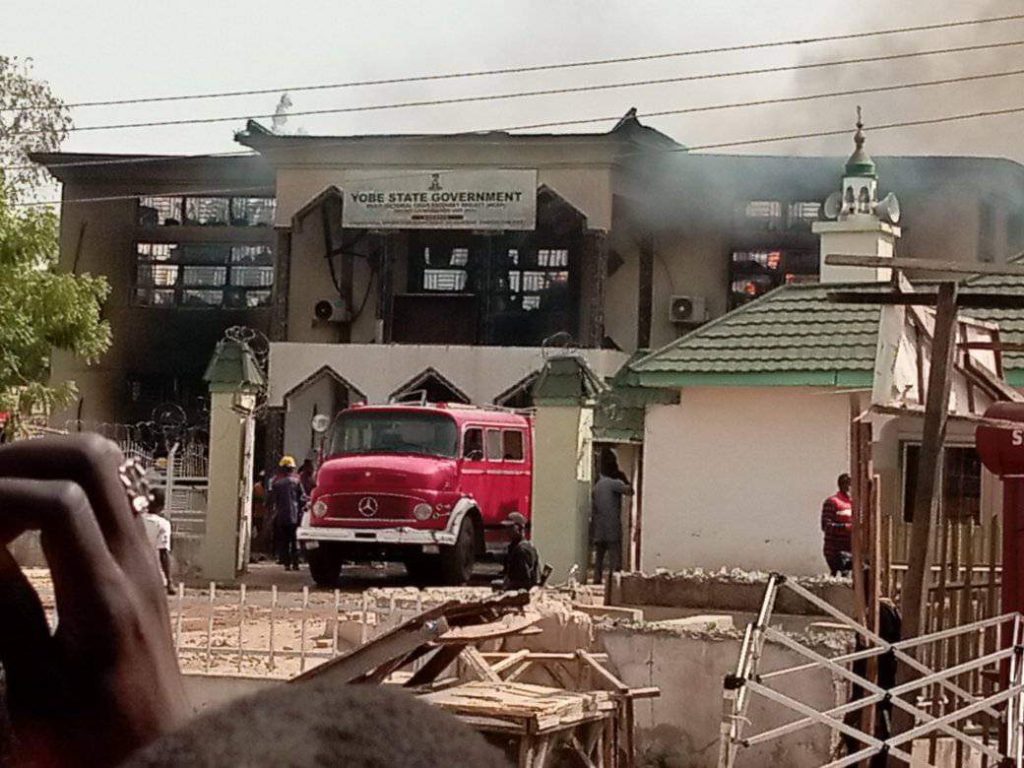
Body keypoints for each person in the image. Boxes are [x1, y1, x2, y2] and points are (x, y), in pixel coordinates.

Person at [0, 434, 512, 768]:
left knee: (286, 548)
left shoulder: (275, 488)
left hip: (252, 534)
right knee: (288, 548)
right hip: (259, 535)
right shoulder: (284, 488)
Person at [591, 451, 633, 585]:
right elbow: (630, 491)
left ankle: (597, 580)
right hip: (612, 525)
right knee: (614, 557)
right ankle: (614, 582)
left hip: (599, 527)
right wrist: (624, 478)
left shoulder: (597, 486)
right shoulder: (615, 483)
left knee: (599, 557)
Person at [269, 455, 306, 572]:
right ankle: (296, 564)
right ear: (292, 469)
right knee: (294, 540)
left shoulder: (277, 484)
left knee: (284, 541)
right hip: (295, 516)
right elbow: (303, 498)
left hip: (281, 516)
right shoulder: (297, 482)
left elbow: (272, 501)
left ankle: (286, 564)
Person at [141, 488, 175, 596]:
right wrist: (169, 581)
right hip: (153, 576)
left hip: (133, 574)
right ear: (162, 506)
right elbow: (164, 553)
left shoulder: (136, 520)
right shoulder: (162, 524)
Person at [821, 472, 854, 576]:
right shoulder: (832, 502)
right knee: (840, 577)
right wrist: (846, 527)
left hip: (851, 549)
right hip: (836, 550)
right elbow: (826, 526)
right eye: (850, 484)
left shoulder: (854, 504)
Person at [499, 512, 539, 591]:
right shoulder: (515, 547)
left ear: (520, 528)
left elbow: (524, 580)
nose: (507, 531)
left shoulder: (522, 550)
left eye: (511, 527)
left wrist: (508, 584)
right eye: (506, 527)